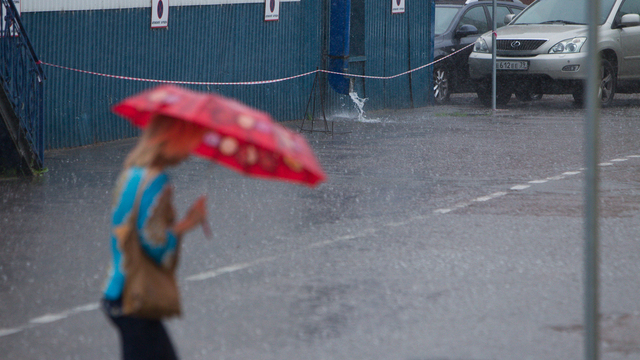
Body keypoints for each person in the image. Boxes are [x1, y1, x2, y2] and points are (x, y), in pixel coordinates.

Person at [102, 114, 209, 360]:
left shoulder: (131, 174)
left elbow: (128, 229)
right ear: (169, 140)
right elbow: (155, 245)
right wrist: (187, 224)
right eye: (188, 142)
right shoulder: (157, 182)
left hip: (116, 288)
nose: (191, 151)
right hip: (134, 296)